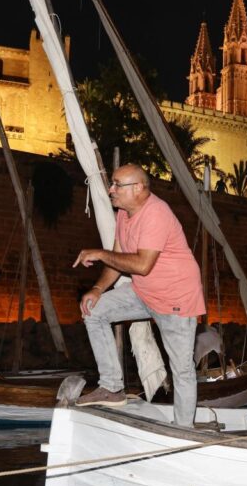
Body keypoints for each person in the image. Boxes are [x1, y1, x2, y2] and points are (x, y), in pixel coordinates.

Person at [73, 164, 205, 427]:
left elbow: (142, 265)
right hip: (145, 292)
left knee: (181, 369)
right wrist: (98, 289)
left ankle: (184, 430)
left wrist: (99, 253)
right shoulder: (124, 212)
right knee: (94, 310)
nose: (111, 190)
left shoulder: (156, 213)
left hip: (176, 299)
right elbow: (119, 259)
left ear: (139, 188)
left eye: (117, 184)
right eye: (112, 183)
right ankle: (111, 387)